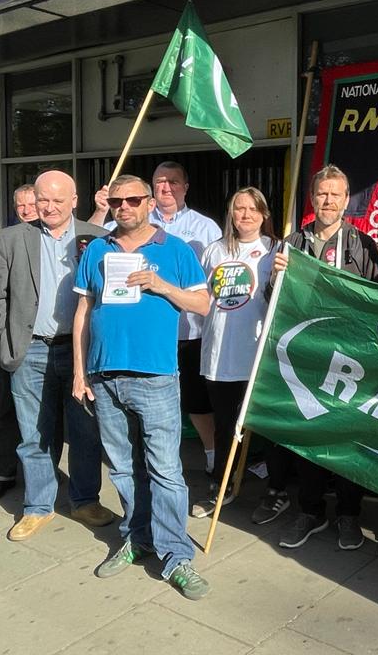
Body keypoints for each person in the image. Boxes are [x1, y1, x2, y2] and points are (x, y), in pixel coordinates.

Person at [73, 174, 212, 600]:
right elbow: (83, 310)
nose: (124, 207)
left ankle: (175, 555)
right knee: (122, 467)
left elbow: (204, 304)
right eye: (116, 201)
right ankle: (139, 536)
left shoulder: (176, 250)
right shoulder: (97, 248)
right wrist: (81, 372)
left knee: (165, 469)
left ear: (150, 202)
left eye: (133, 199)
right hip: (104, 376)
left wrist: (162, 286)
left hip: (155, 376)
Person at [0, 172, 113, 540]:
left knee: (86, 430)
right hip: (30, 349)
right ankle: (38, 506)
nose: (49, 207)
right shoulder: (11, 238)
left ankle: (85, 500)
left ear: (75, 200)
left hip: (80, 350)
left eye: (58, 200)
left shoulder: (99, 237)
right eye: (43, 200)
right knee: (34, 433)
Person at [274, 165, 378, 551]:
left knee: (347, 437)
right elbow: (270, 304)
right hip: (304, 354)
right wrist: (275, 279)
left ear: (346, 199)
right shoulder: (291, 244)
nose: (328, 201)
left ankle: (349, 514)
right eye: (322, 193)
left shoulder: (362, 245)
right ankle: (310, 510)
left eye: (335, 194)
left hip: (348, 356)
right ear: (312, 197)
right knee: (308, 433)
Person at [91, 162, 221, 475]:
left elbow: (208, 287)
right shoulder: (119, 224)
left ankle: (211, 455)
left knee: (195, 402)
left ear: (185, 187)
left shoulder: (205, 228)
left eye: (173, 182)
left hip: (186, 331)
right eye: (160, 182)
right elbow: (90, 243)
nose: (166, 187)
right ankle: (141, 467)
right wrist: (99, 211)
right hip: (135, 342)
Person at [191, 187, 277, 519]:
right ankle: (222, 486)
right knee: (225, 425)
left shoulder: (275, 251)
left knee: (265, 427)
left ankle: (275, 490)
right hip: (219, 355)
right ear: (231, 214)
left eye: (253, 209)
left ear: (264, 214)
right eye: (239, 209)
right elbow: (199, 299)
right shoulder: (213, 251)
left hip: (257, 356)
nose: (245, 215)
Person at [0, 183, 40, 503]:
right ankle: (2, 473)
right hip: (12, 344)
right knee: (7, 412)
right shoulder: (7, 241)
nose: (28, 211)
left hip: (48, 344)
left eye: (32, 204)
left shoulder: (52, 240)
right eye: (21, 206)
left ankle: (44, 474)